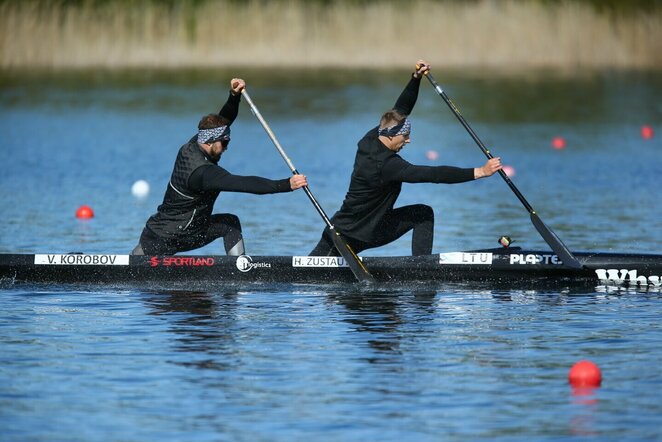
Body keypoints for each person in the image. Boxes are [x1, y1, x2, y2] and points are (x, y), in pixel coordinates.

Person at [310, 60, 502, 257]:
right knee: (423, 214)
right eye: (405, 136)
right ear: (392, 135)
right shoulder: (389, 166)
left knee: (305, 270)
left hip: (345, 228)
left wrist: (416, 78)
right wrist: (480, 172)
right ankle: (421, 268)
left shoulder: (370, 138)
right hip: (354, 235)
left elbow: (401, 108)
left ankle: (420, 265)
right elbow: (433, 174)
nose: (408, 140)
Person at [132, 78, 307, 256]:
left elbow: (225, 120)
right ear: (209, 140)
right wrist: (286, 185)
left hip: (183, 231)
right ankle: (239, 271)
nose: (226, 148)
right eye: (224, 143)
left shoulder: (193, 145)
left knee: (229, 223)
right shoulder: (204, 173)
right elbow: (243, 183)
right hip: (167, 238)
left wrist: (234, 96)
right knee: (139, 268)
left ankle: (239, 269)